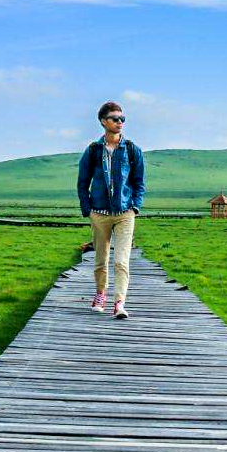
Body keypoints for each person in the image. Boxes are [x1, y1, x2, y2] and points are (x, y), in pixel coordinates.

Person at [76, 100, 145, 319]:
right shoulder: (93, 150)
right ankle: (100, 295)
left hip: (125, 213)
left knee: (121, 260)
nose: (120, 122)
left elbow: (139, 182)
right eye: (115, 119)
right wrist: (88, 209)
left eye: (122, 119)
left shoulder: (132, 150)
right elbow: (82, 182)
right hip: (100, 214)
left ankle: (119, 303)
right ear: (103, 122)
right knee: (101, 259)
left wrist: (135, 206)